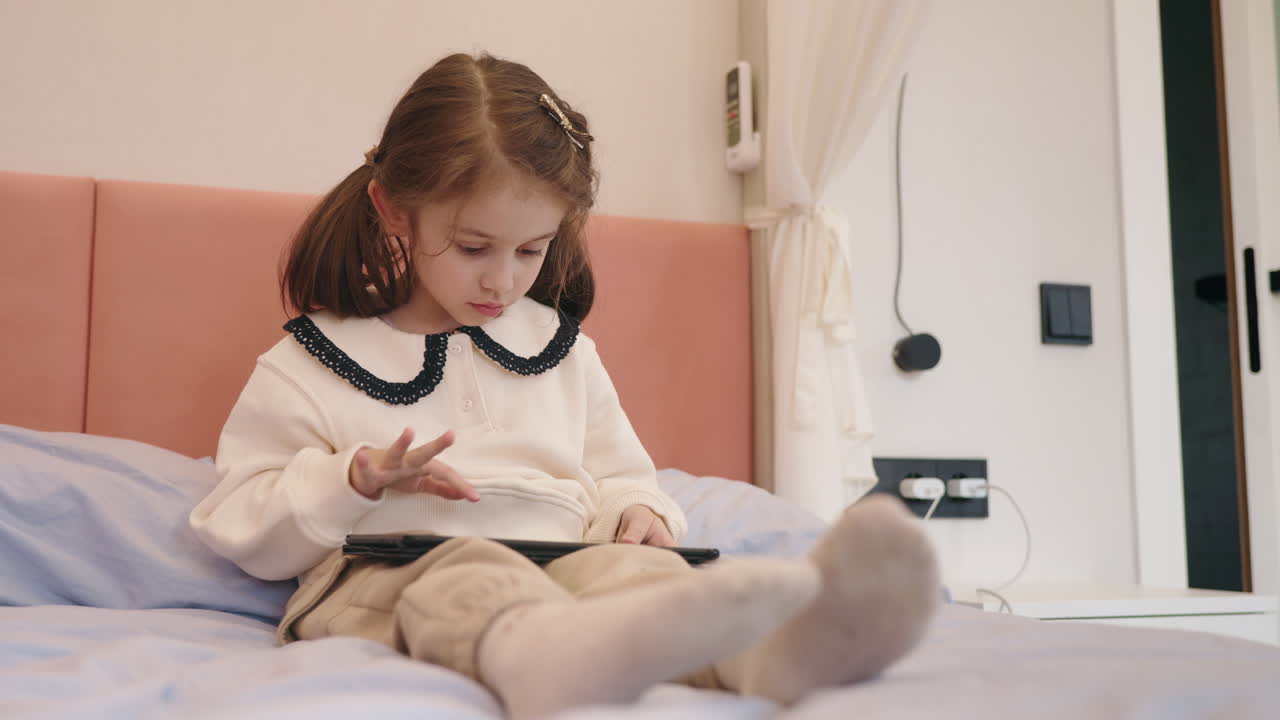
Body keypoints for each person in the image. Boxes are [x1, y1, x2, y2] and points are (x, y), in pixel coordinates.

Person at [190, 52, 940, 719]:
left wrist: (636, 509)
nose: (505, 279)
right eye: (475, 246)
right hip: (384, 575)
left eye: (531, 250)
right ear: (395, 211)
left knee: (640, 576)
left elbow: (618, 471)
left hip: (560, 564)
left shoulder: (561, 351)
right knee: (463, 572)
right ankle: (538, 660)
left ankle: (776, 653)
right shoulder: (312, 363)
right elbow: (239, 519)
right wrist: (352, 479)